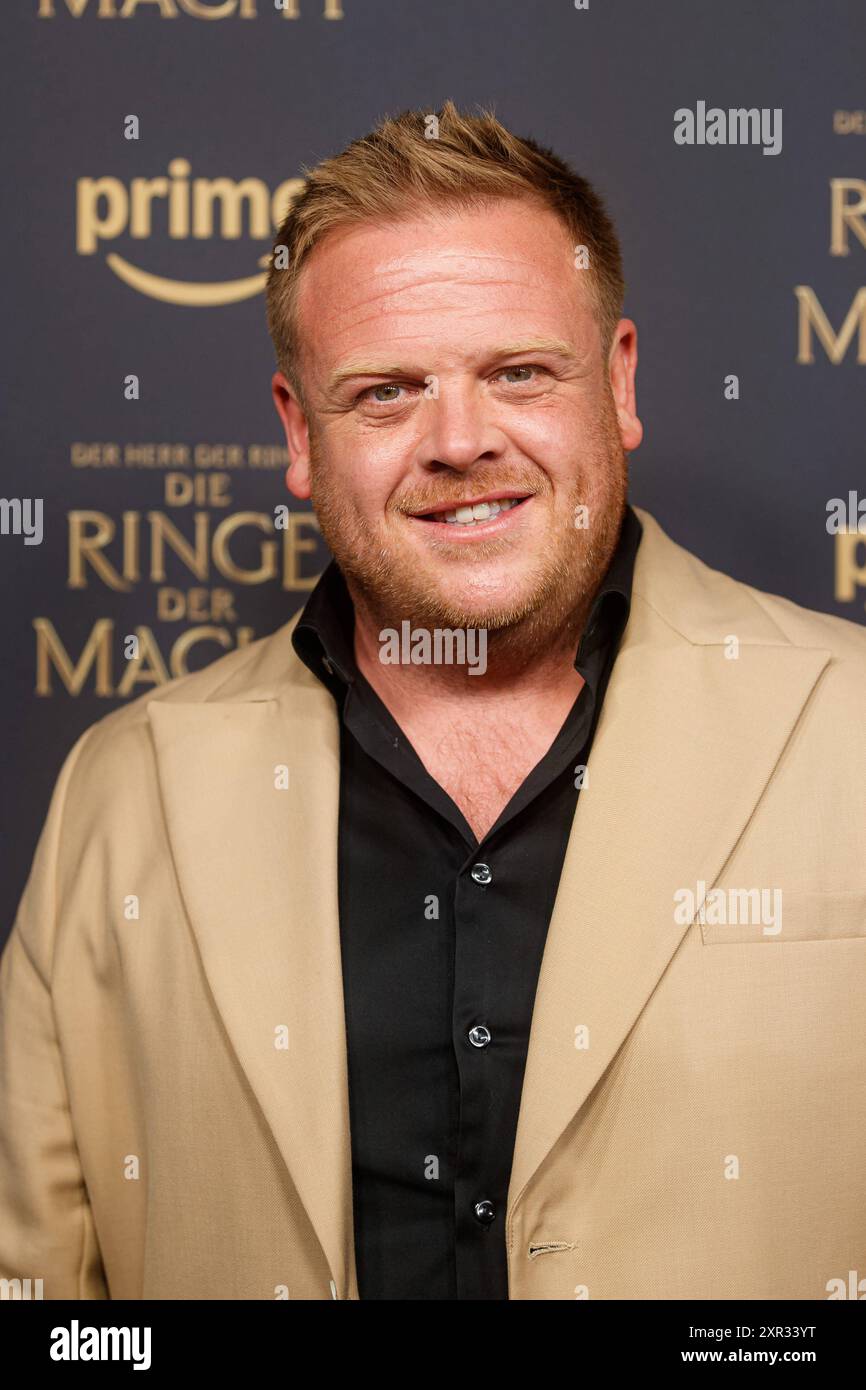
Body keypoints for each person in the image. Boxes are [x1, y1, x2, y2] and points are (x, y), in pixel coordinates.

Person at [1, 102, 865, 1301]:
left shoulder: (849, 727)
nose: (459, 441)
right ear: (299, 433)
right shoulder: (127, 784)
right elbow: (38, 1289)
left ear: (616, 383)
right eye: (386, 392)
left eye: (517, 372)